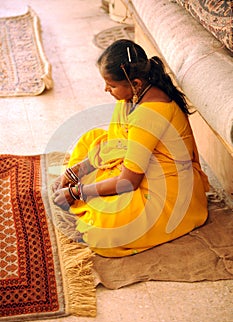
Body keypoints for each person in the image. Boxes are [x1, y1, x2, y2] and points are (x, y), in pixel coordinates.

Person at [52, 39, 209, 257]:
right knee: (92, 140)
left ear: (134, 83)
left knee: (102, 233)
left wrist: (76, 192)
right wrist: (75, 171)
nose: (106, 89)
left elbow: (128, 182)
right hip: (139, 166)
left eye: (112, 85)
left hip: (168, 188)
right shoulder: (133, 95)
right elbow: (117, 146)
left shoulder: (149, 113)